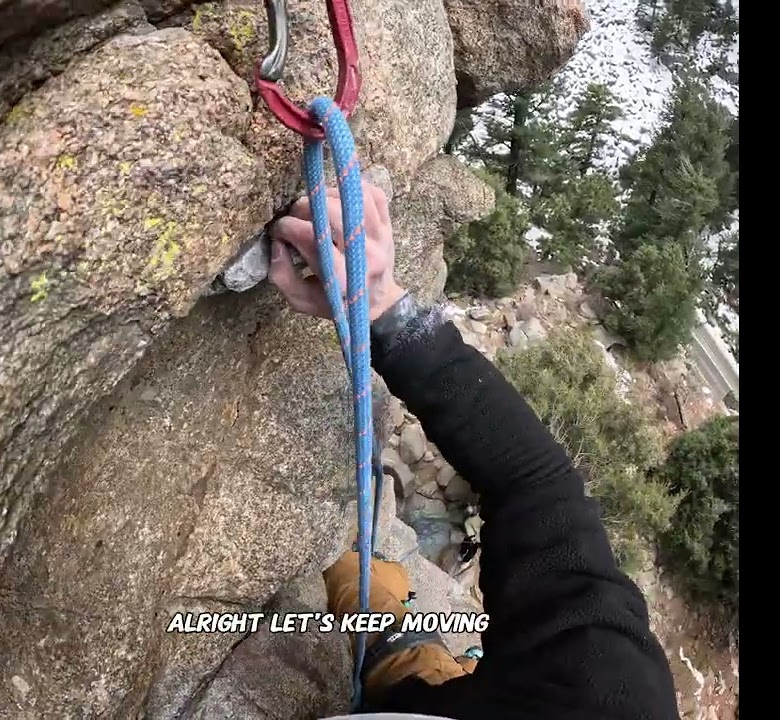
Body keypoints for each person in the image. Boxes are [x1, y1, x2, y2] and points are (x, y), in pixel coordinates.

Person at [266, 180, 680, 720]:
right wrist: (386, 313)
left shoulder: (610, 690)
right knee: (366, 585)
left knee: (376, 597)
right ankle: (388, 624)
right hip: (453, 694)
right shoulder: (611, 694)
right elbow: (539, 486)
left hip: (448, 695)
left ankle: (391, 628)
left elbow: (540, 487)